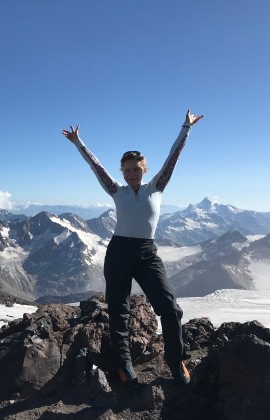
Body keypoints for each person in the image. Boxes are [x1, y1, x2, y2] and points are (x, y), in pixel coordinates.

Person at [62, 109, 204, 387]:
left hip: (147, 253)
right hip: (119, 252)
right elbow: (96, 166)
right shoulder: (117, 191)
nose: (131, 174)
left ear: (145, 170)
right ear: (122, 172)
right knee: (119, 310)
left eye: (136, 169)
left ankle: (176, 360)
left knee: (170, 308)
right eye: (126, 170)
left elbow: (173, 158)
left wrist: (186, 128)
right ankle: (124, 365)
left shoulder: (157, 187)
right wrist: (78, 143)